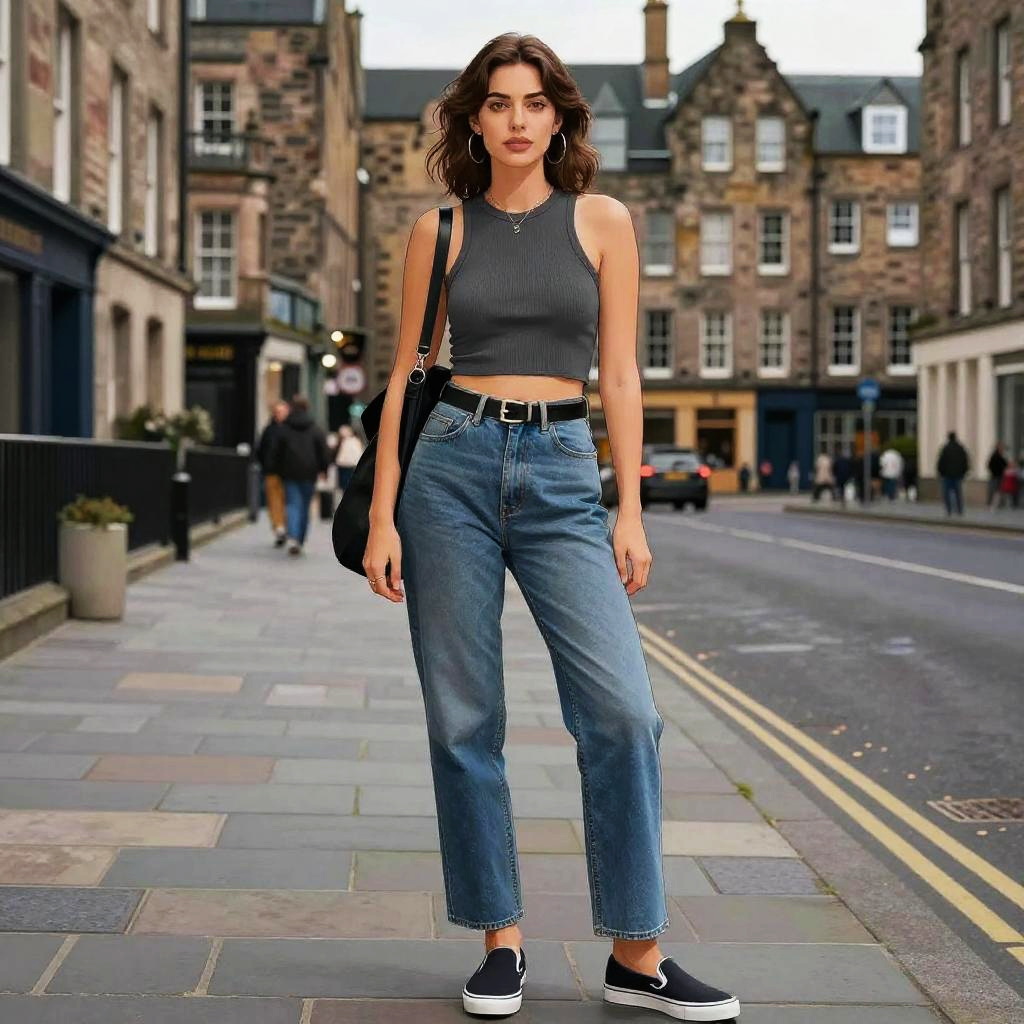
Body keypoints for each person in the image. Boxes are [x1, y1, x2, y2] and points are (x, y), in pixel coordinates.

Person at [360, 39, 739, 1022]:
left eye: (535, 104)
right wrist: (380, 516)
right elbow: (405, 376)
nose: (518, 120)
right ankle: (500, 941)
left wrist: (628, 506)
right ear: (473, 121)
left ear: (560, 119)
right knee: (463, 718)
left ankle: (637, 953)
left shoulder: (602, 220)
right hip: (448, 469)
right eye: (498, 104)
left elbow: (620, 373)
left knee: (622, 714)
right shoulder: (437, 230)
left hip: (567, 471)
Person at [271, 395, 330, 555]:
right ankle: (300, 538)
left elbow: (276, 451)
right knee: (305, 506)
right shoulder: (315, 428)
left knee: (292, 504)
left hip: (289, 472)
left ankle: (294, 538)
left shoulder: (285, 428)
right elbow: (323, 451)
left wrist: (277, 469)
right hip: (309, 473)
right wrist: (324, 470)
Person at [256, 400, 290, 547]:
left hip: (289, 472)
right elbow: (261, 449)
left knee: (287, 501)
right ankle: (279, 528)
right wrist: (264, 465)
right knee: (274, 501)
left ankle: (286, 527)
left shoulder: (291, 429)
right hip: (272, 471)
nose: (279, 415)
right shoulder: (269, 430)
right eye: (277, 412)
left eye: (282, 412)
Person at [936, 430, 970, 516]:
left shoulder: (946, 448)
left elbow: (941, 462)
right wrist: (964, 472)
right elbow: (965, 461)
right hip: (958, 475)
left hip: (947, 475)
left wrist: (940, 473)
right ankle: (959, 510)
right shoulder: (960, 448)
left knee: (947, 493)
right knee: (958, 493)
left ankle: (949, 510)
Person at [335, 424, 365, 494]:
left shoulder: (348, 441)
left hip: (346, 466)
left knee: (345, 486)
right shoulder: (356, 441)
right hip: (350, 465)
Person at [986, 442, 1008, 508]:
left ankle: (998, 504)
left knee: (999, 491)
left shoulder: (1002, 456)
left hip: (1000, 476)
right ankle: (991, 504)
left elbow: (1005, 464)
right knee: (993, 490)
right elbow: (990, 465)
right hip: (995, 476)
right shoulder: (995, 456)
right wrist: (994, 471)